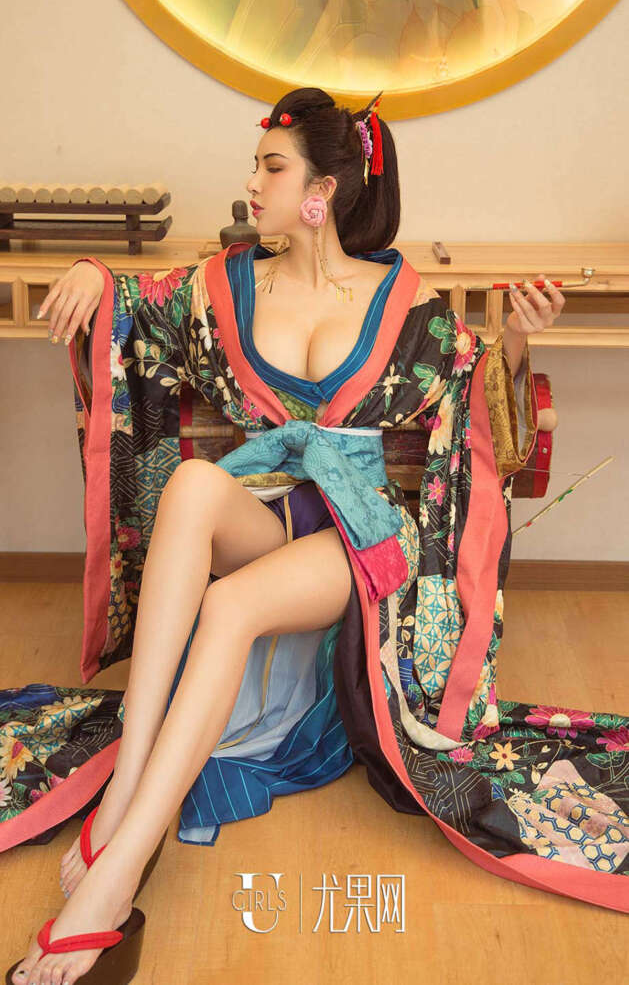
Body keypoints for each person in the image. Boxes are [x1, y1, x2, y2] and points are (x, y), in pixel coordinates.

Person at [3, 87, 628, 984]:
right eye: (256, 166)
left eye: (270, 167)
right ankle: (126, 789)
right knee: (191, 484)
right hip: (269, 510)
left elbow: (474, 407)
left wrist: (517, 343)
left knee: (231, 606)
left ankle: (115, 876)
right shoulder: (224, 285)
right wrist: (96, 275)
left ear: (320, 193)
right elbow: (140, 304)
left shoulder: (405, 303)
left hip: (359, 533)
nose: (251, 184)